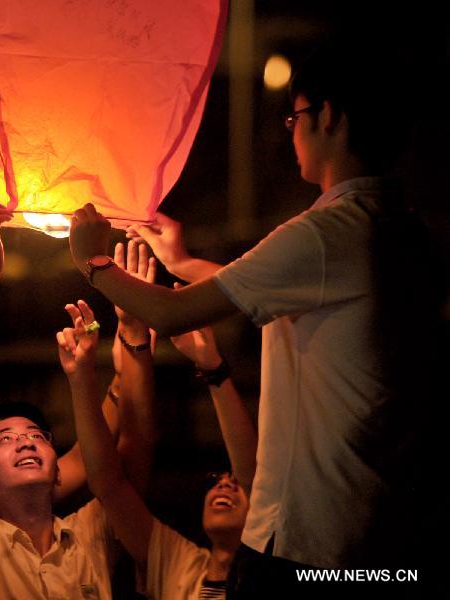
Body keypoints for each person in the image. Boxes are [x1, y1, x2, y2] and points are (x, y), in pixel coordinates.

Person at [65, 35, 429, 589]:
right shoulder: (401, 230)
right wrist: (182, 260)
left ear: (327, 116)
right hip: (381, 533)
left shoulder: (326, 233)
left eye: (294, 117)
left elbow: (176, 314)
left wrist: (91, 261)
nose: (291, 132)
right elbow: (268, 288)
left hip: (309, 545)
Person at [0, 204, 156, 599]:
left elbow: (133, 444)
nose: (24, 441)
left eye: (38, 436)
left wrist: (132, 331)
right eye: (1, 440)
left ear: (59, 468)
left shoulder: (93, 534)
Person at [59, 242, 258, 600]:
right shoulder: (179, 565)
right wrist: (130, 331)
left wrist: (212, 366)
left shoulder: (284, 564)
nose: (225, 486)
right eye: (217, 479)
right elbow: (109, 484)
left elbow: (256, 473)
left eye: (234, 482)